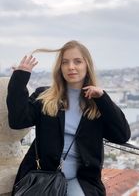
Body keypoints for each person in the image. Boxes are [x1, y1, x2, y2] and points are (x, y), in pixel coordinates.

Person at [7, 40, 131, 196]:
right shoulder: (45, 97)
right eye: (65, 62)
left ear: (87, 66)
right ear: (60, 68)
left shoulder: (96, 104)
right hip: (43, 178)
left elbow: (122, 136)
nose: (71, 67)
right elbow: (18, 121)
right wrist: (20, 79)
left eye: (77, 61)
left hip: (80, 180)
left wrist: (103, 99)